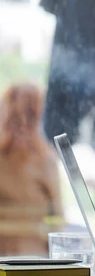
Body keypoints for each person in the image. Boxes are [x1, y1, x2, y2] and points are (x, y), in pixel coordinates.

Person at [0, 83, 63, 256]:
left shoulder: (45, 159)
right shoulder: (45, 160)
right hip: (34, 258)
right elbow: (58, 214)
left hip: (32, 257)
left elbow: (57, 217)